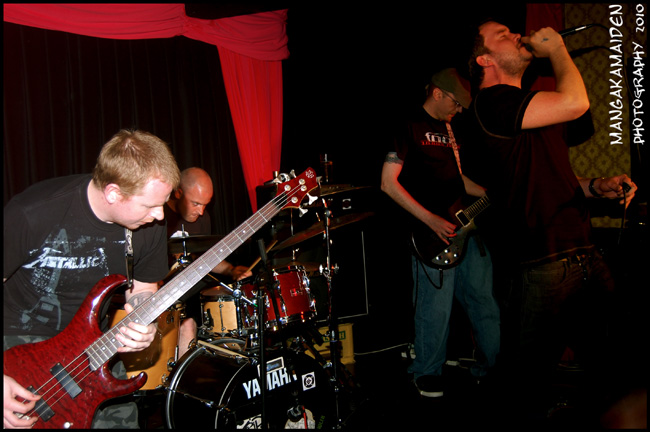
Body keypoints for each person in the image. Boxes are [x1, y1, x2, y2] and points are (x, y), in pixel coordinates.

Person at [465, 19, 638, 423]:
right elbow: (576, 103)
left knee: (613, 365)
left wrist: (596, 186)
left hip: (582, 253)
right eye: (501, 34)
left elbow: (551, 178)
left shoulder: (527, 105)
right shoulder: (493, 103)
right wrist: (558, 49)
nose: (514, 34)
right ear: (485, 58)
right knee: (526, 385)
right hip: (541, 264)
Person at [3, 129, 181, 429]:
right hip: (20, 342)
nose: (160, 216)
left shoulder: (146, 226)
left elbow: (145, 287)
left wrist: (144, 318)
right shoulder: (31, 214)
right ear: (113, 193)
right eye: (150, 205)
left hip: (92, 347)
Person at [381, 68, 500, 398]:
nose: (459, 110)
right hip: (431, 234)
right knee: (435, 307)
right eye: (456, 102)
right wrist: (430, 219)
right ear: (437, 93)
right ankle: (426, 371)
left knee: (484, 302)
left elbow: (460, 180)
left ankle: (491, 367)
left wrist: (492, 192)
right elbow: (388, 183)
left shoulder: (450, 129)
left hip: (466, 227)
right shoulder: (409, 126)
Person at [163, 167, 252, 356]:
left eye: (206, 204)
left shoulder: (203, 219)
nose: (201, 211)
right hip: (157, 301)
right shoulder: (158, 216)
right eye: (195, 203)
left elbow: (205, 258)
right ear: (178, 193)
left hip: (184, 302)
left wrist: (231, 270)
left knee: (189, 327)